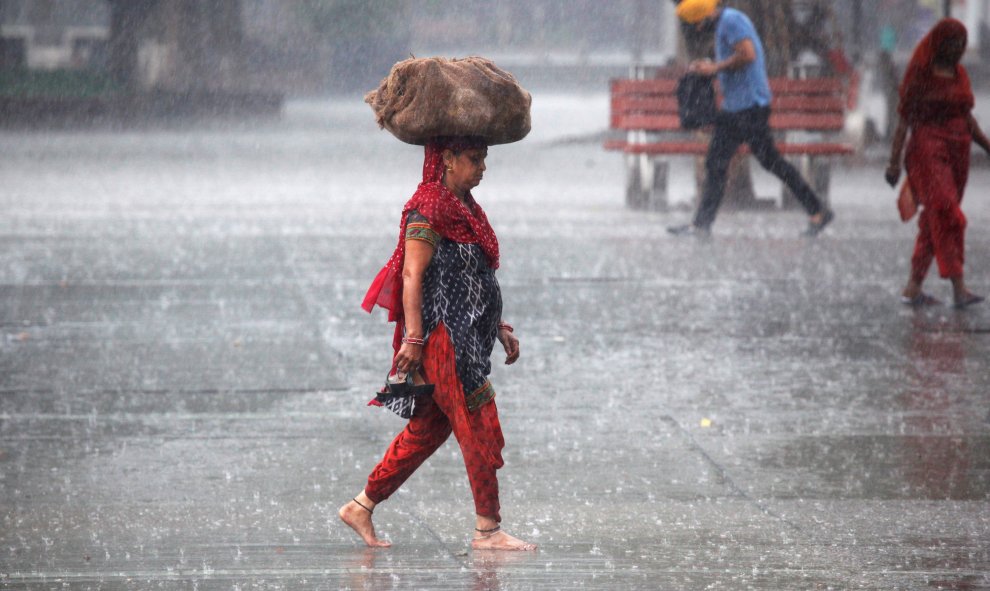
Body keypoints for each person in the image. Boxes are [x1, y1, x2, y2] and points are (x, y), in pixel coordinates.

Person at [338, 136, 537, 551]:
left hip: (470, 338)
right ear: (447, 159)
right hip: (445, 340)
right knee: (477, 426)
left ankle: (361, 505)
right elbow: (412, 275)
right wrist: (413, 338)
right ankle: (487, 530)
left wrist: (498, 326)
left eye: (485, 159)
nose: (482, 167)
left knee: (427, 432)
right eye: (474, 159)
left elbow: (473, 278)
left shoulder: (467, 208)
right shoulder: (427, 207)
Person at [668, 0, 835, 238]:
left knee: (771, 162)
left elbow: (748, 54)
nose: (696, 29)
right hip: (735, 107)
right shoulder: (724, 24)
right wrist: (710, 66)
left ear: (705, 16)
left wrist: (715, 69)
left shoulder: (731, 21)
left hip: (750, 107)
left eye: (697, 24)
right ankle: (701, 225)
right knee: (716, 162)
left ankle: (817, 210)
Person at [885, 18, 990, 308]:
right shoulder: (919, 73)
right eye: (954, 44)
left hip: (958, 152)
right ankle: (958, 286)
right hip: (928, 149)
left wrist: (986, 145)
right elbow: (903, 120)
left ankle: (913, 286)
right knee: (946, 212)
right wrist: (893, 162)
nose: (958, 50)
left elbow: (967, 118)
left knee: (935, 220)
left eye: (962, 45)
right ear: (940, 44)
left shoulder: (960, 75)